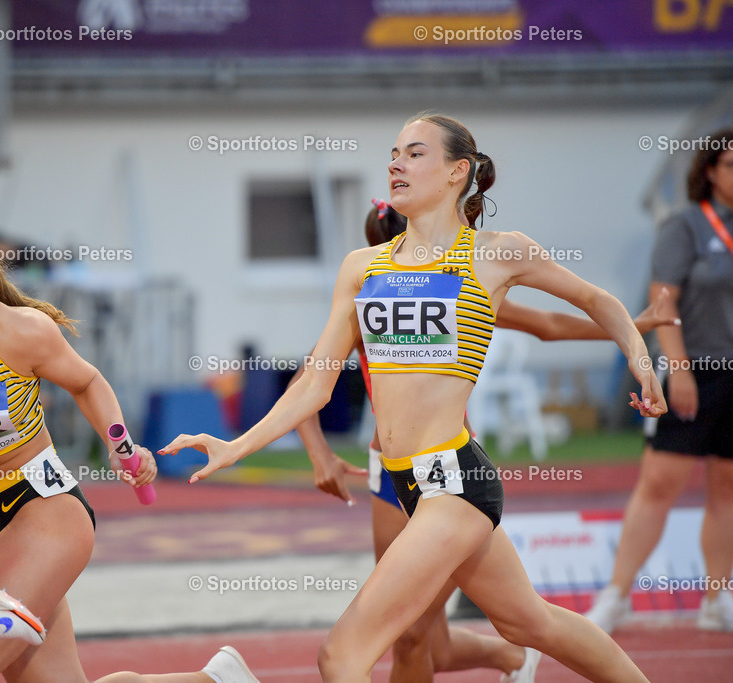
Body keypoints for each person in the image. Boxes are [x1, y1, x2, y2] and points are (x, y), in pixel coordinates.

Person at [162, 112, 664, 682]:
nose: (396, 163)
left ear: (458, 172)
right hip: (401, 481)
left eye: (415, 153)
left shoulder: (496, 252)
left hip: (453, 478)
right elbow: (315, 383)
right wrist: (236, 446)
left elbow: (597, 301)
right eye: (394, 153)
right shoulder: (362, 267)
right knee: (529, 625)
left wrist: (640, 358)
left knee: (342, 653)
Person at [0, 193, 257, 683]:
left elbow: (86, 381)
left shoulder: (14, 331)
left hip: (44, 508)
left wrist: (120, 445)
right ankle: (215, 680)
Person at [295, 200, 676, 683]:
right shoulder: (368, 293)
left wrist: (634, 331)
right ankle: (512, 657)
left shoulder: (462, 282)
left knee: (412, 635)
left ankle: (514, 656)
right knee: (427, 634)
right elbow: (306, 384)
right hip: (387, 474)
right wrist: (319, 454)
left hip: (449, 470)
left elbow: (549, 325)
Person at [586, 128, 733, 634]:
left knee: (728, 486)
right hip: (696, 369)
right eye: (731, 165)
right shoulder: (685, 227)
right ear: (709, 171)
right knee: (660, 482)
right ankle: (617, 595)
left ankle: (716, 600)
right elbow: (662, 301)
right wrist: (680, 367)